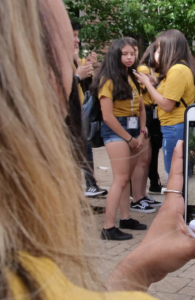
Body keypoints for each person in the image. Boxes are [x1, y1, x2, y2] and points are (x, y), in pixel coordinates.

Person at [2, 1, 195, 299]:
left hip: (194, 131)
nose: (151, 53)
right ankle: (125, 219)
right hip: (168, 131)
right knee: (182, 182)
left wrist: (135, 270)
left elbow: (165, 104)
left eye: (157, 48)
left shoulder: (182, 72)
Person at [134, 29, 195, 182]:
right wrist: (155, 84)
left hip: (174, 127)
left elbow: (167, 105)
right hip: (179, 125)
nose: (156, 53)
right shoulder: (183, 66)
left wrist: (148, 84)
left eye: (159, 49)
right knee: (181, 174)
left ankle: (176, 205)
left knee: (174, 176)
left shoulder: (177, 70)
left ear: (170, 49)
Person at [90, 38, 153, 241]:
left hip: (134, 129)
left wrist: (142, 132)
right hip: (115, 130)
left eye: (132, 54)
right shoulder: (107, 79)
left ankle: (125, 219)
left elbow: (141, 107)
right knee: (120, 179)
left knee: (126, 178)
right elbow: (107, 116)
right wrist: (128, 138)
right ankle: (108, 227)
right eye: (124, 54)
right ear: (116, 55)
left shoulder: (133, 77)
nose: (129, 57)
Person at [71, 19, 107, 198]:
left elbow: (88, 88)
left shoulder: (73, 58)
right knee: (77, 154)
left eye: (77, 36)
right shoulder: (54, 58)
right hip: (68, 117)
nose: (77, 40)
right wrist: (77, 74)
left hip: (78, 113)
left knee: (85, 150)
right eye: (74, 35)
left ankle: (90, 186)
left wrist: (82, 65)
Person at [130, 43, 163, 207]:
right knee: (143, 158)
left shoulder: (157, 71)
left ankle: (142, 195)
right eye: (160, 51)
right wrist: (155, 85)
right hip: (146, 114)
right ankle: (137, 197)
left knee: (149, 157)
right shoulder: (144, 69)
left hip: (153, 113)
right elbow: (149, 93)